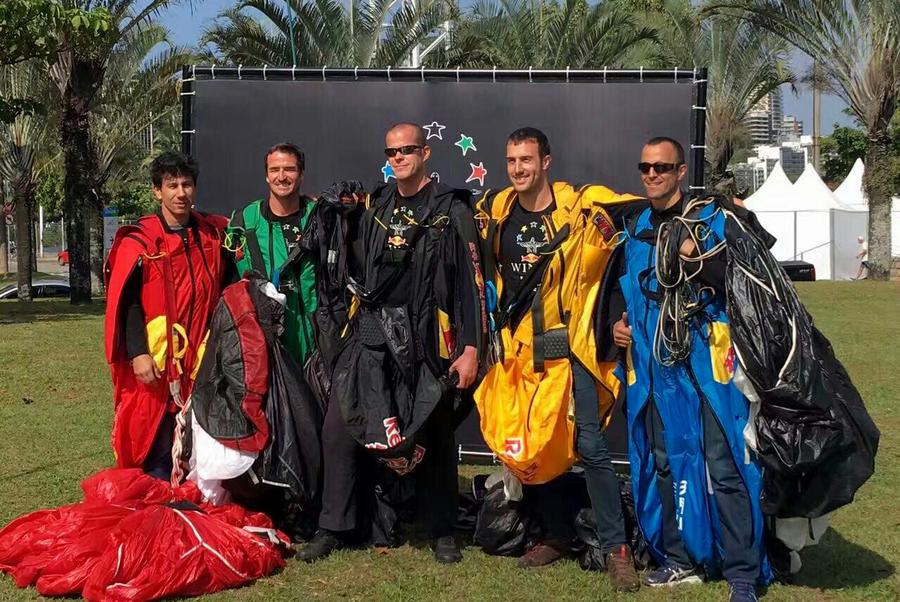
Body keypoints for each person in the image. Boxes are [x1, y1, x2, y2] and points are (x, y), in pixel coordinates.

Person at [298, 123, 485, 564]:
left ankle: (441, 529)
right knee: (342, 425)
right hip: (372, 333)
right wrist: (335, 210)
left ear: (425, 152)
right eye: (392, 151)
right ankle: (333, 526)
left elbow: (472, 284)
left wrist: (471, 348)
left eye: (407, 150)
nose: (398, 157)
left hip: (426, 339)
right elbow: (344, 248)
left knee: (434, 429)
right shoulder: (375, 203)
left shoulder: (450, 209)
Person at [472, 127, 645, 592]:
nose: (518, 169)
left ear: (546, 161)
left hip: (573, 349)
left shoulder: (583, 205)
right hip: (523, 352)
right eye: (511, 161)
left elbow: (640, 213)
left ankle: (616, 549)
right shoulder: (496, 211)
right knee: (533, 442)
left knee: (589, 445)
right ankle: (555, 535)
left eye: (526, 160)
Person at [611, 137, 770, 602]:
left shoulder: (706, 221)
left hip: (702, 363)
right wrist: (621, 325)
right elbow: (628, 291)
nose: (653, 175)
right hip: (654, 365)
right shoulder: (637, 225)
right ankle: (678, 559)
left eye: (662, 167)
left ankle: (743, 571)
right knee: (663, 461)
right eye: (645, 167)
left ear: (682, 172)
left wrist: (694, 259)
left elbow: (737, 281)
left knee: (723, 464)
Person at [104, 151, 229, 480]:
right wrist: (138, 353)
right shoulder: (140, 243)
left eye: (186, 184)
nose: (181, 193)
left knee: (197, 433)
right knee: (152, 434)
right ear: (157, 191)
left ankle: (189, 498)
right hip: (157, 360)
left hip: (199, 359)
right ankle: (155, 502)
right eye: (171, 185)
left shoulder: (212, 236)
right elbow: (128, 302)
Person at [225, 142, 317, 364]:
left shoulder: (320, 218)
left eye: (290, 169)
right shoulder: (245, 222)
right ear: (266, 176)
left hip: (313, 343)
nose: (282, 177)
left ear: (301, 174)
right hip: (261, 342)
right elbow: (230, 280)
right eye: (275, 170)